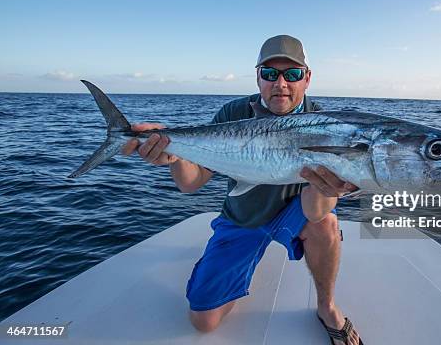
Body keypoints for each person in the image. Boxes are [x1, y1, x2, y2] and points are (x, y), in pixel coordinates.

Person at [122, 35, 363, 345]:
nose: (281, 84)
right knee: (203, 322)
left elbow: (314, 212)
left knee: (326, 223)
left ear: (307, 78)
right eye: (269, 73)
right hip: (242, 217)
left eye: (292, 74)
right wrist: (174, 154)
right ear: (258, 76)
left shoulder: (327, 125)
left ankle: (326, 306)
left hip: (294, 213)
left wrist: (331, 188)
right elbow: (190, 184)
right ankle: (240, 265)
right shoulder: (233, 113)